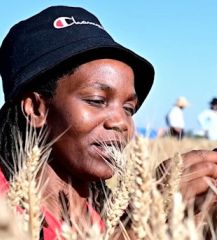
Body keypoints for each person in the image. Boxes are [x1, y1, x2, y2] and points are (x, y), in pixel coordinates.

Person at [0, 6, 155, 238]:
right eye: (97, 100)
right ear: (35, 108)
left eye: (129, 108)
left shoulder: (108, 214)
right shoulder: (6, 215)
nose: (121, 122)